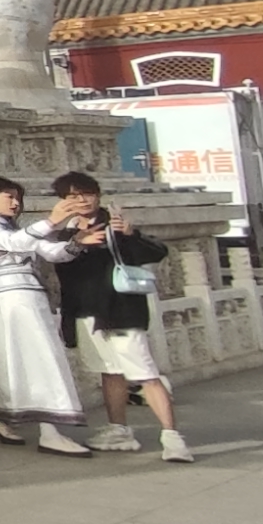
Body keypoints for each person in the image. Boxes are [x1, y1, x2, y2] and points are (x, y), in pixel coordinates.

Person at [49, 171, 192, 462]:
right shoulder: (67, 233)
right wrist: (76, 240)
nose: (82, 200)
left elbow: (158, 251)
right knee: (110, 372)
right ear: (64, 201)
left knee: (145, 374)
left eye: (87, 193)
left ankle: (173, 437)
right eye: (73, 196)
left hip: (121, 313)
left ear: (97, 195)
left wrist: (129, 234)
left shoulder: (115, 226)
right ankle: (119, 430)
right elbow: (61, 268)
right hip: (87, 315)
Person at [0, 175, 94, 456]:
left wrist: (78, 241)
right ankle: (50, 431)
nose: (15, 203)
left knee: (17, 359)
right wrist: (52, 220)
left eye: (17, 198)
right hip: (14, 299)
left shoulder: (19, 229)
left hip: (30, 297)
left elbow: (50, 251)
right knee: (40, 357)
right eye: (8, 197)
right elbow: (14, 242)